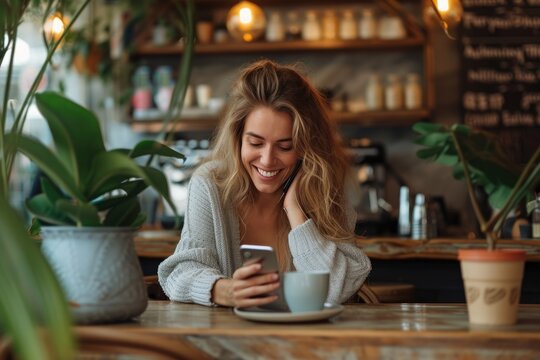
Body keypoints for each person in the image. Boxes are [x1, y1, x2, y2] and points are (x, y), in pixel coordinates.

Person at [158, 60, 371, 308]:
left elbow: (336, 290)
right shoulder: (210, 184)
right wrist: (223, 290)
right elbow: (180, 272)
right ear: (237, 139)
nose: (268, 160)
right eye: (256, 143)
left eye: (285, 146)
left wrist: (296, 212)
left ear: (306, 147)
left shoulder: (323, 187)